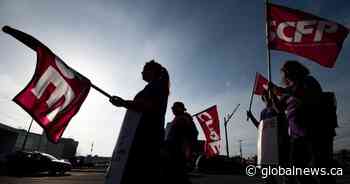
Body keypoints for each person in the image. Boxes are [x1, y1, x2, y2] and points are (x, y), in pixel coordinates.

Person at [109, 60, 170, 184]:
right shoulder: (155, 86)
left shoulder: (156, 85)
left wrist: (124, 103)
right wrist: (124, 103)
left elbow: (148, 106)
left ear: (152, 71)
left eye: (144, 69)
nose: (141, 72)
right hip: (146, 135)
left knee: (140, 174)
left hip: (146, 136)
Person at [247, 91, 289, 184]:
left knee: (285, 172)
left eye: (268, 95)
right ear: (263, 99)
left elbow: (284, 122)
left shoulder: (277, 108)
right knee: (267, 173)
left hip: (279, 143)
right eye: (265, 96)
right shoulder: (263, 112)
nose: (267, 97)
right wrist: (251, 117)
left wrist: (283, 137)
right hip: (267, 146)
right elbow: (260, 127)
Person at [163, 102, 198, 184]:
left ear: (180, 108)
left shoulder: (183, 119)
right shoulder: (178, 119)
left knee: (177, 174)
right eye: (172, 108)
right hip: (173, 149)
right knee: (176, 174)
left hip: (177, 150)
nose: (172, 109)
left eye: (174, 108)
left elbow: (190, 134)